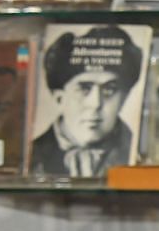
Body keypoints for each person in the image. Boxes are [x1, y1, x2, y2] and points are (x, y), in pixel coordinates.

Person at [26, 25, 144, 178]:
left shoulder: (135, 152)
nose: (95, 104)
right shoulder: (30, 154)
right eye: (84, 89)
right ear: (59, 97)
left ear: (124, 98)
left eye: (109, 90)